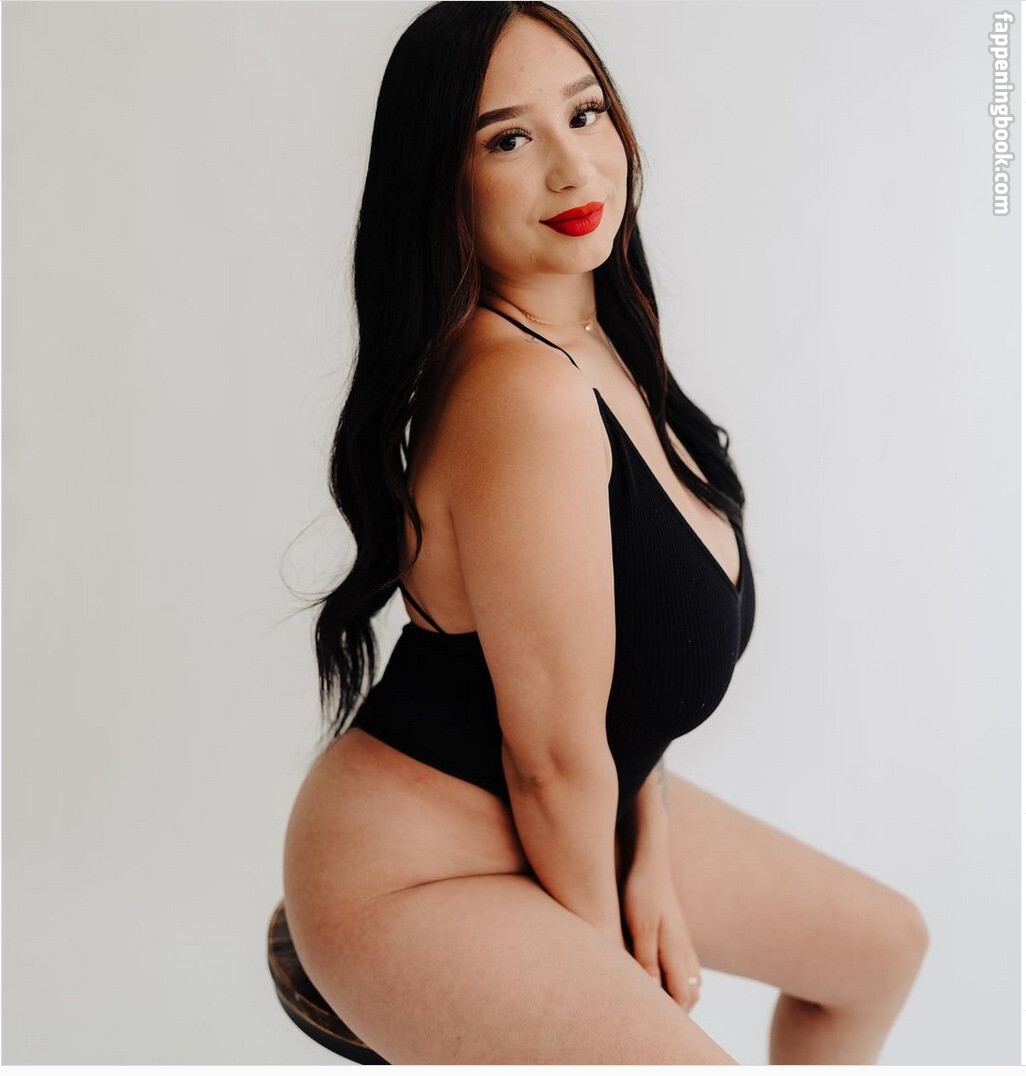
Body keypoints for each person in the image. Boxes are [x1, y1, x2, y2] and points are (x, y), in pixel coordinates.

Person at [282, 2, 928, 1064]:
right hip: (418, 871)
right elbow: (550, 759)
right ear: (442, 181)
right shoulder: (524, 393)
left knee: (881, 950)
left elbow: (624, 688)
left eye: (584, 115)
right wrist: (610, 969)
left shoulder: (593, 335)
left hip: (583, 804)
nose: (572, 167)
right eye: (508, 139)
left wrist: (652, 848)